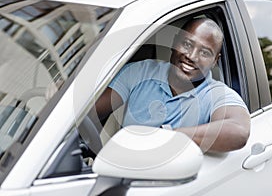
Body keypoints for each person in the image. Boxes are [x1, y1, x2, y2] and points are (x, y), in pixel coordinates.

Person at [96, 17, 250, 153]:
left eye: (204, 53)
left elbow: (239, 131)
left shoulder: (216, 94)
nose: (191, 56)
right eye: (187, 44)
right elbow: (88, 114)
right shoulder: (139, 72)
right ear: (175, 42)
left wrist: (166, 137)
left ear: (215, 60)